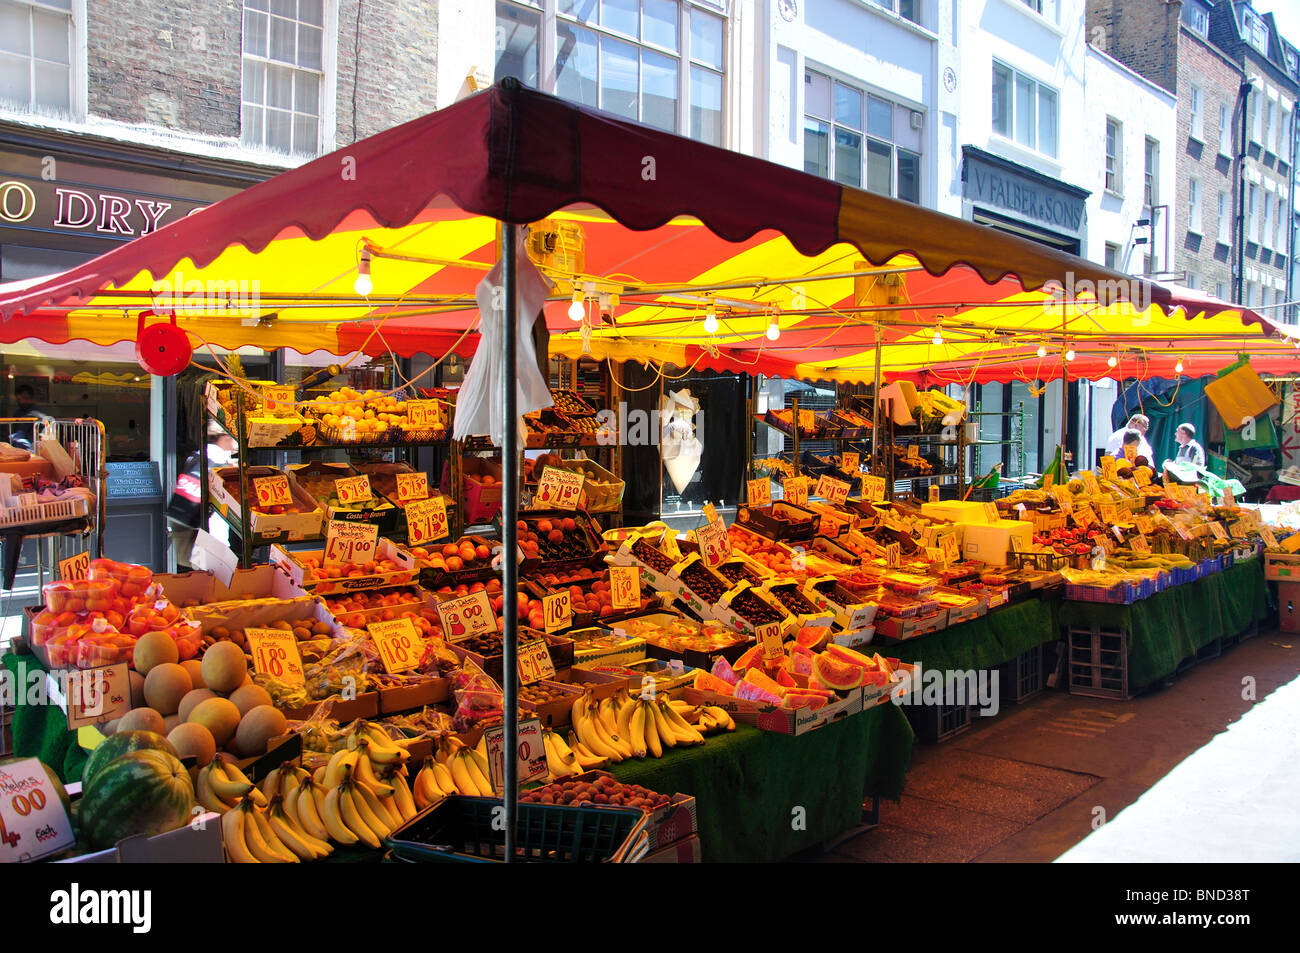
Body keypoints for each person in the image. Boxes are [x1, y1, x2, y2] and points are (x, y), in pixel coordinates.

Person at [10, 383, 50, 451]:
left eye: (25, 398)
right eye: (19, 399)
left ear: (32, 398)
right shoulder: (17, 413)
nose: (22, 401)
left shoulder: (38, 414)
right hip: (20, 448)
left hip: (33, 448)